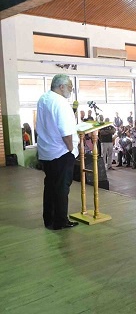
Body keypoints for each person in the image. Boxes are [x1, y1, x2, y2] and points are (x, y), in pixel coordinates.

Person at [36, 74, 79, 230]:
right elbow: (66, 132)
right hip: (61, 152)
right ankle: (60, 222)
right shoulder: (61, 103)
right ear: (61, 86)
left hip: (46, 151)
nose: (70, 91)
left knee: (50, 186)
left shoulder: (43, 99)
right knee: (61, 188)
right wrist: (71, 149)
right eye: (70, 87)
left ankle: (49, 219)